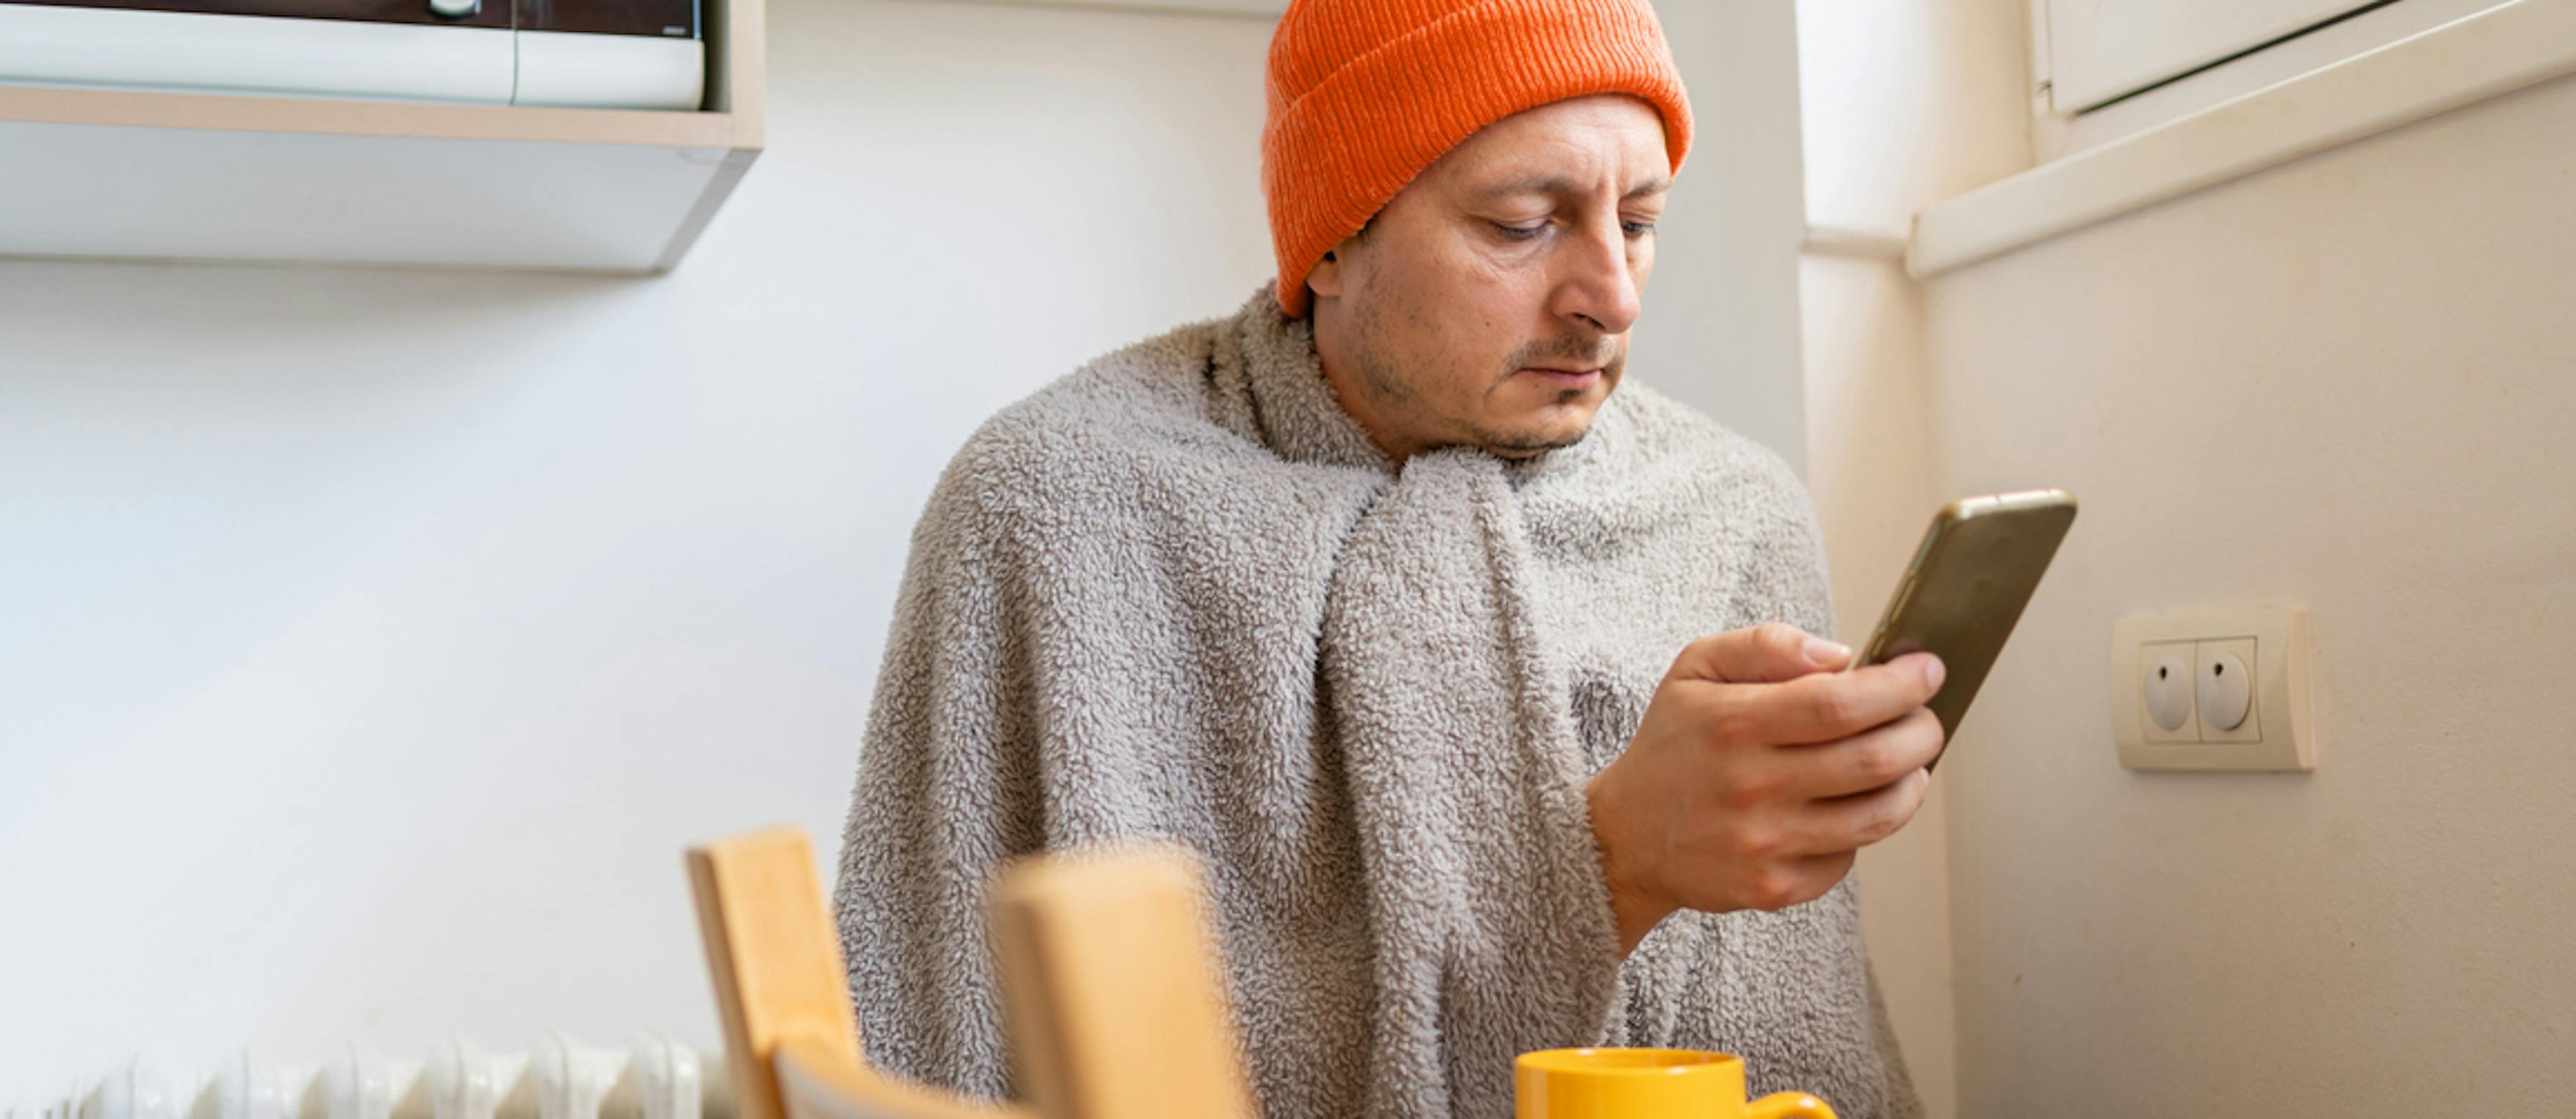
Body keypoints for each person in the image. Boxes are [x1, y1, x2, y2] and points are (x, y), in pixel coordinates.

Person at [831, 0, 1941, 1115]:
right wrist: (1612, 860)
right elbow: (932, 1047)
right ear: (1330, 239)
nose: (1612, 296)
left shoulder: (1729, 513)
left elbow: (1803, 1054)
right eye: (1522, 223)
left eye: (1640, 221)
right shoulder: (1055, 509)